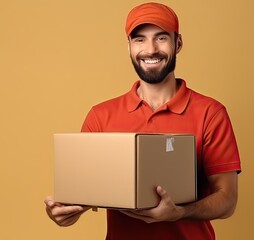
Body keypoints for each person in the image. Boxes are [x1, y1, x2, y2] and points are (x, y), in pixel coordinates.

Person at [44, 2, 241, 239]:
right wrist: (65, 211)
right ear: (128, 46)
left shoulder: (211, 112)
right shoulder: (100, 116)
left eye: (161, 38)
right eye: (139, 39)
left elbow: (227, 200)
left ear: (177, 43)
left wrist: (179, 212)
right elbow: (85, 193)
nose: (150, 49)